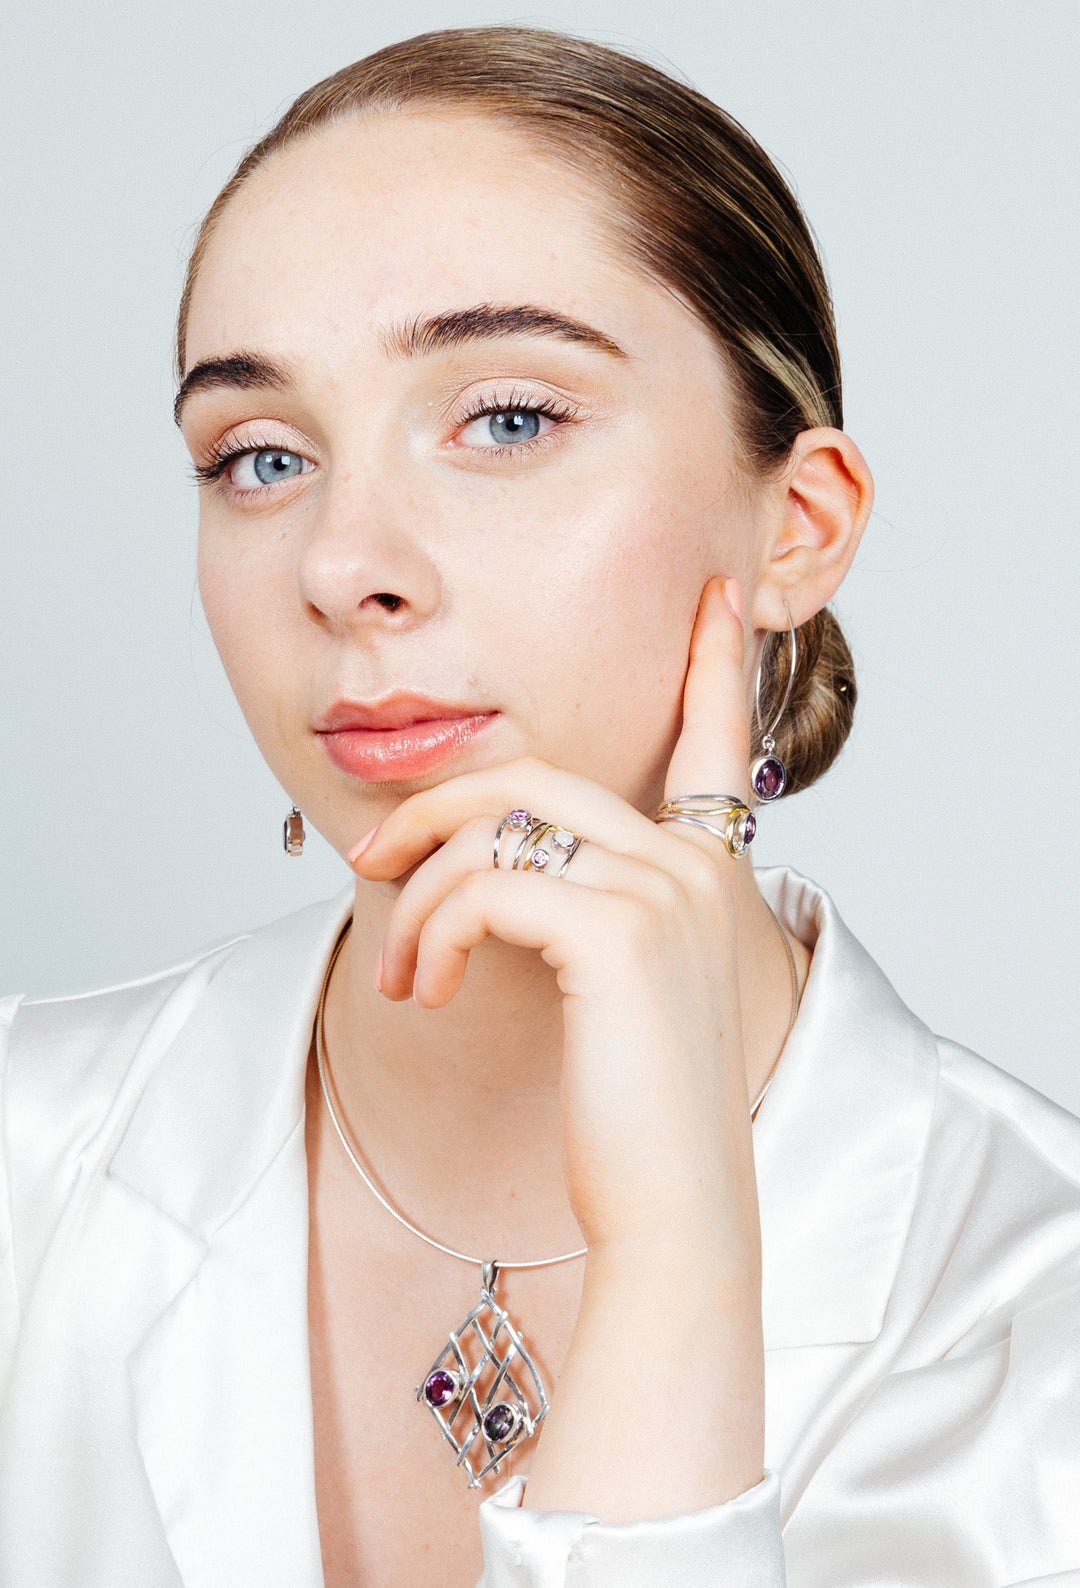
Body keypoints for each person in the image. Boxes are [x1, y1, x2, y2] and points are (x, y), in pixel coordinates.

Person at [1, 24, 1077, 1588]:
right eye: (258, 456)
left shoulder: (1035, 1343)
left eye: (507, 418)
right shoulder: (25, 1173)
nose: (341, 563)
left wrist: (676, 1264)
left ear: (800, 525)